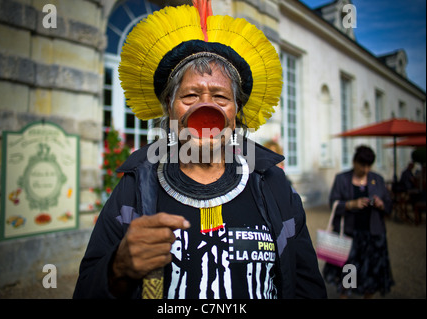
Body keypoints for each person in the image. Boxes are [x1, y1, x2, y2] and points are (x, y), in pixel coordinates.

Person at [73, 1, 326, 299]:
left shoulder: (273, 185)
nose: (205, 107)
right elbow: (86, 291)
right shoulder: (135, 188)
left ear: (236, 113)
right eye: (191, 95)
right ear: (169, 109)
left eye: (220, 96)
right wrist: (117, 268)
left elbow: (308, 289)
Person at [323, 145, 394, 298]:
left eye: (369, 166)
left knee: (370, 278)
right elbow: (333, 203)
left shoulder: (377, 179)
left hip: (373, 237)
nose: (366, 169)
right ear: (355, 162)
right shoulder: (342, 179)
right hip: (350, 237)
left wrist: (381, 204)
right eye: (363, 165)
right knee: (349, 278)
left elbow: (389, 206)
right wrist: (350, 204)